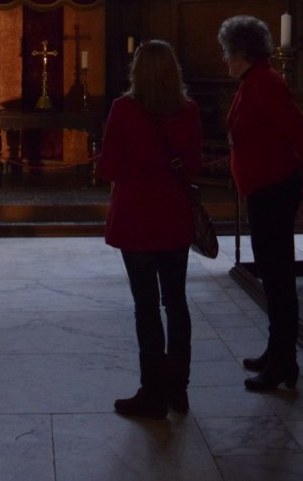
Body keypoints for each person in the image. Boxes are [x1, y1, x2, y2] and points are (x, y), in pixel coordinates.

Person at [218, 15, 303, 392]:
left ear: (242, 53)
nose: (224, 59)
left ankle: (284, 362)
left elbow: (302, 134)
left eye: (227, 52)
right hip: (262, 189)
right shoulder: (253, 81)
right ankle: (277, 351)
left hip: (273, 190)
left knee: (279, 278)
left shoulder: (267, 83)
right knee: (272, 275)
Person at [97, 40, 202, 419]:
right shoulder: (188, 110)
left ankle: (152, 392)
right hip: (174, 218)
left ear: (137, 71)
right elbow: (194, 165)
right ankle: (179, 388)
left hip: (137, 220)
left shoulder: (124, 109)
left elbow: (109, 168)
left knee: (146, 306)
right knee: (176, 302)